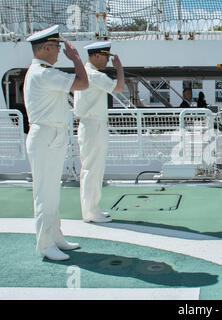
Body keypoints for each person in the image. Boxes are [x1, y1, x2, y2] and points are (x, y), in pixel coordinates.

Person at [24, 25, 89, 260]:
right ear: (46, 47)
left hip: (51, 137)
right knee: (44, 195)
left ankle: (55, 237)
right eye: (58, 48)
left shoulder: (41, 71)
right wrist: (77, 59)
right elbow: (83, 82)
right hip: (46, 138)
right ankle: (45, 245)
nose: (60, 53)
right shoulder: (44, 73)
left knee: (52, 193)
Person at [74, 41, 125, 223]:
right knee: (92, 170)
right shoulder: (94, 75)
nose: (107, 61)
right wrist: (119, 68)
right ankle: (90, 212)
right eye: (105, 57)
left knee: (94, 169)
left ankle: (93, 208)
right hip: (93, 126)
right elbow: (119, 88)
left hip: (92, 125)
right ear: (96, 56)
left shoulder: (89, 73)